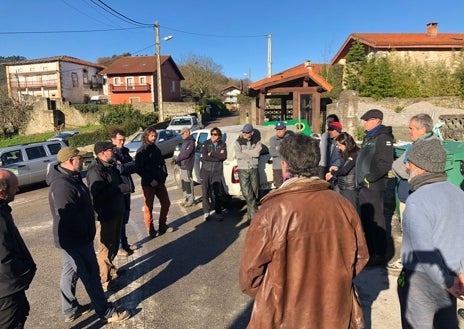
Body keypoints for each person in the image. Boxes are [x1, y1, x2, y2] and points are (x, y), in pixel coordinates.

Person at [239, 134, 369, 328]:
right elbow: (360, 257)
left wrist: (275, 292)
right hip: (334, 311)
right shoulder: (343, 205)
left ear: (284, 164)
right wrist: (335, 284)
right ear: (316, 162)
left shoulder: (271, 211)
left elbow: (250, 275)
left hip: (284, 314)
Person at [47, 148, 130, 323]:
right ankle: (106, 311)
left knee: (69, 272)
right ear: (70, 160)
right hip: (76, 239)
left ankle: (70, 309)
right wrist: (85, 235)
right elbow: (68, 217)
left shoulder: (71, 177)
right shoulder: (62, 185)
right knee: (91, 274)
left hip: (73, 239)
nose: (83, 161)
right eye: (80, 158)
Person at [397, 138, 464, 329]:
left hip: (422, 280)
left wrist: (447, 280)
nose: (406, 165)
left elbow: (422, 249)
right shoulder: (459, 194)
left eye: (409, 161)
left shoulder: (417, 200)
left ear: (421, 167)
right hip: (452, 276)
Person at [87, 142, 129, 291]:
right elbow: (97, 194)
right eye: (110, 150)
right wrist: (118, 188)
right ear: (102, 153)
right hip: (106, 214)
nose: (113, 151)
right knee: (105, 247)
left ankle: (110, 270)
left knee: (113, 244)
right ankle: (104, 280)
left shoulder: (110, 165)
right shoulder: (95, 171)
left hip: (117, 210)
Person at [356, 109, 394, 266]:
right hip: (364, 186)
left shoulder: (383, 137)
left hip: (374, 185)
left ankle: (379, 254)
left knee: (376, 219)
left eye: (367, 120)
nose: (364, 123)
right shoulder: (369, 137)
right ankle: (370, 250)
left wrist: (370, 178)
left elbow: (385, 163)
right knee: (367, 218)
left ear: (377, 120)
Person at [0, 169, 36, 328]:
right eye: (14, 187)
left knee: (21, 314)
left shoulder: (2, 208)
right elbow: (4, 257)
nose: (18, 190)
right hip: (7, 291)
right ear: (2, 192)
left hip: (10, 287)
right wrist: (24, 273)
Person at [392, 113, 436, 219]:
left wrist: (405, 170)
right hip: (407, 198)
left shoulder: (429, 146)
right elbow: (397, 166)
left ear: (422, 129)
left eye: (411, 128)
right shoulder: (415, 144)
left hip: (416, 201)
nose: (409, 131)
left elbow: (401, 169)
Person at [135, 126, 172, 238]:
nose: (154, 137)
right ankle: (150, 229)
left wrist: (164, 176)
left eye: (155, 136)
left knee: (166, 203)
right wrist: (151, 180)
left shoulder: (156, 149)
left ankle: (162, 224)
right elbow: (139, 168)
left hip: (160, 182)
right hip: (148, 184)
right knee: (149, 207)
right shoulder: (141, 151)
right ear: (146, 136)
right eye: (152, 136)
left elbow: (162, 163)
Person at [110, 129, 139, 257]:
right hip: (119, 190)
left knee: (125, 219)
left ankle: (125, 244)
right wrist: (127, 165)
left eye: (123, 139)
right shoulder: (112, 154)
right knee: (120, 220)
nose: (122, 142)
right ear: (113, 140)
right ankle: (120, 247)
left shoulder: (125, 151)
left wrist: (127, 165)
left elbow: (135, 165)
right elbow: (119, 169)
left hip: (127, 189)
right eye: (120, 140)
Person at [234, 123, 262, 223]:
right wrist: (251, 152)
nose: (245, 134)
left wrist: (245, 151)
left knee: (254, 193)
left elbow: (257, 153)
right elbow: (238, 155)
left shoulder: (257, 142)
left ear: (252, 133)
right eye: (244, 132)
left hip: (254, 168)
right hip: (243, 169)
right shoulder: (238, 142)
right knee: (247, 194)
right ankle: (256, 217)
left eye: (247, 132)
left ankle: (251, 218)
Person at [325, 132, 359, 209]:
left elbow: (345, 170)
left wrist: (332, 173)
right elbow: (345, 167)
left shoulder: (354, 154)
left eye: (340, 145)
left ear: (347, 144)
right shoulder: (347, 153)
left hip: (350, 188)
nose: (339, 148)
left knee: (351, 211)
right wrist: (337, 168)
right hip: (343, 186)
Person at [200, 127, 227, 220]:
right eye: (211, 134)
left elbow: (223, 156)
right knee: (205, 192)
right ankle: (206, 212)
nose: (212, 136)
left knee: (217, 193)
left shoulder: (223, 144)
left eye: (215, 134)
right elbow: (204, 157)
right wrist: (217, 156)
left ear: (219, 135)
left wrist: (212, 154)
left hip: (217, 171)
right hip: (206, 171)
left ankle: (218, 212)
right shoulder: (206, 143)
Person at [175, 127, 196, 207]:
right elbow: (181, 152)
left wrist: (178, 159)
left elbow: (187, 154)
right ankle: (186, 198)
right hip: (182, 165)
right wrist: (177, 159)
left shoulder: (191, 142)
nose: (182, 135)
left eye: (183, 133)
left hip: (187, 165)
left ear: (187, 132)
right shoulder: (185, 142)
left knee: (188, 182)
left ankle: (191, 200)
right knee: (184, 182)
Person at [269, 121, 293, 188]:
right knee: (279, 187)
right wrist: (284, 151)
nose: (278, 131)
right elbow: (272, 152)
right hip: (277, 168)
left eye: (280, 129)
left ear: (285, 129)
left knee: (289, 186)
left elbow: (291, 151)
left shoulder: (289, 139)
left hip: (289, 167)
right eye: (277, 129)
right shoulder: (273, 139)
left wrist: (279, 149)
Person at [318, 114, 340, 178]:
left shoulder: (342, 138)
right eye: (327, 122)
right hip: (323, 166)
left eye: (330, 122)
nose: (328, 124)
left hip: (335, 167)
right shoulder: (325, 136)